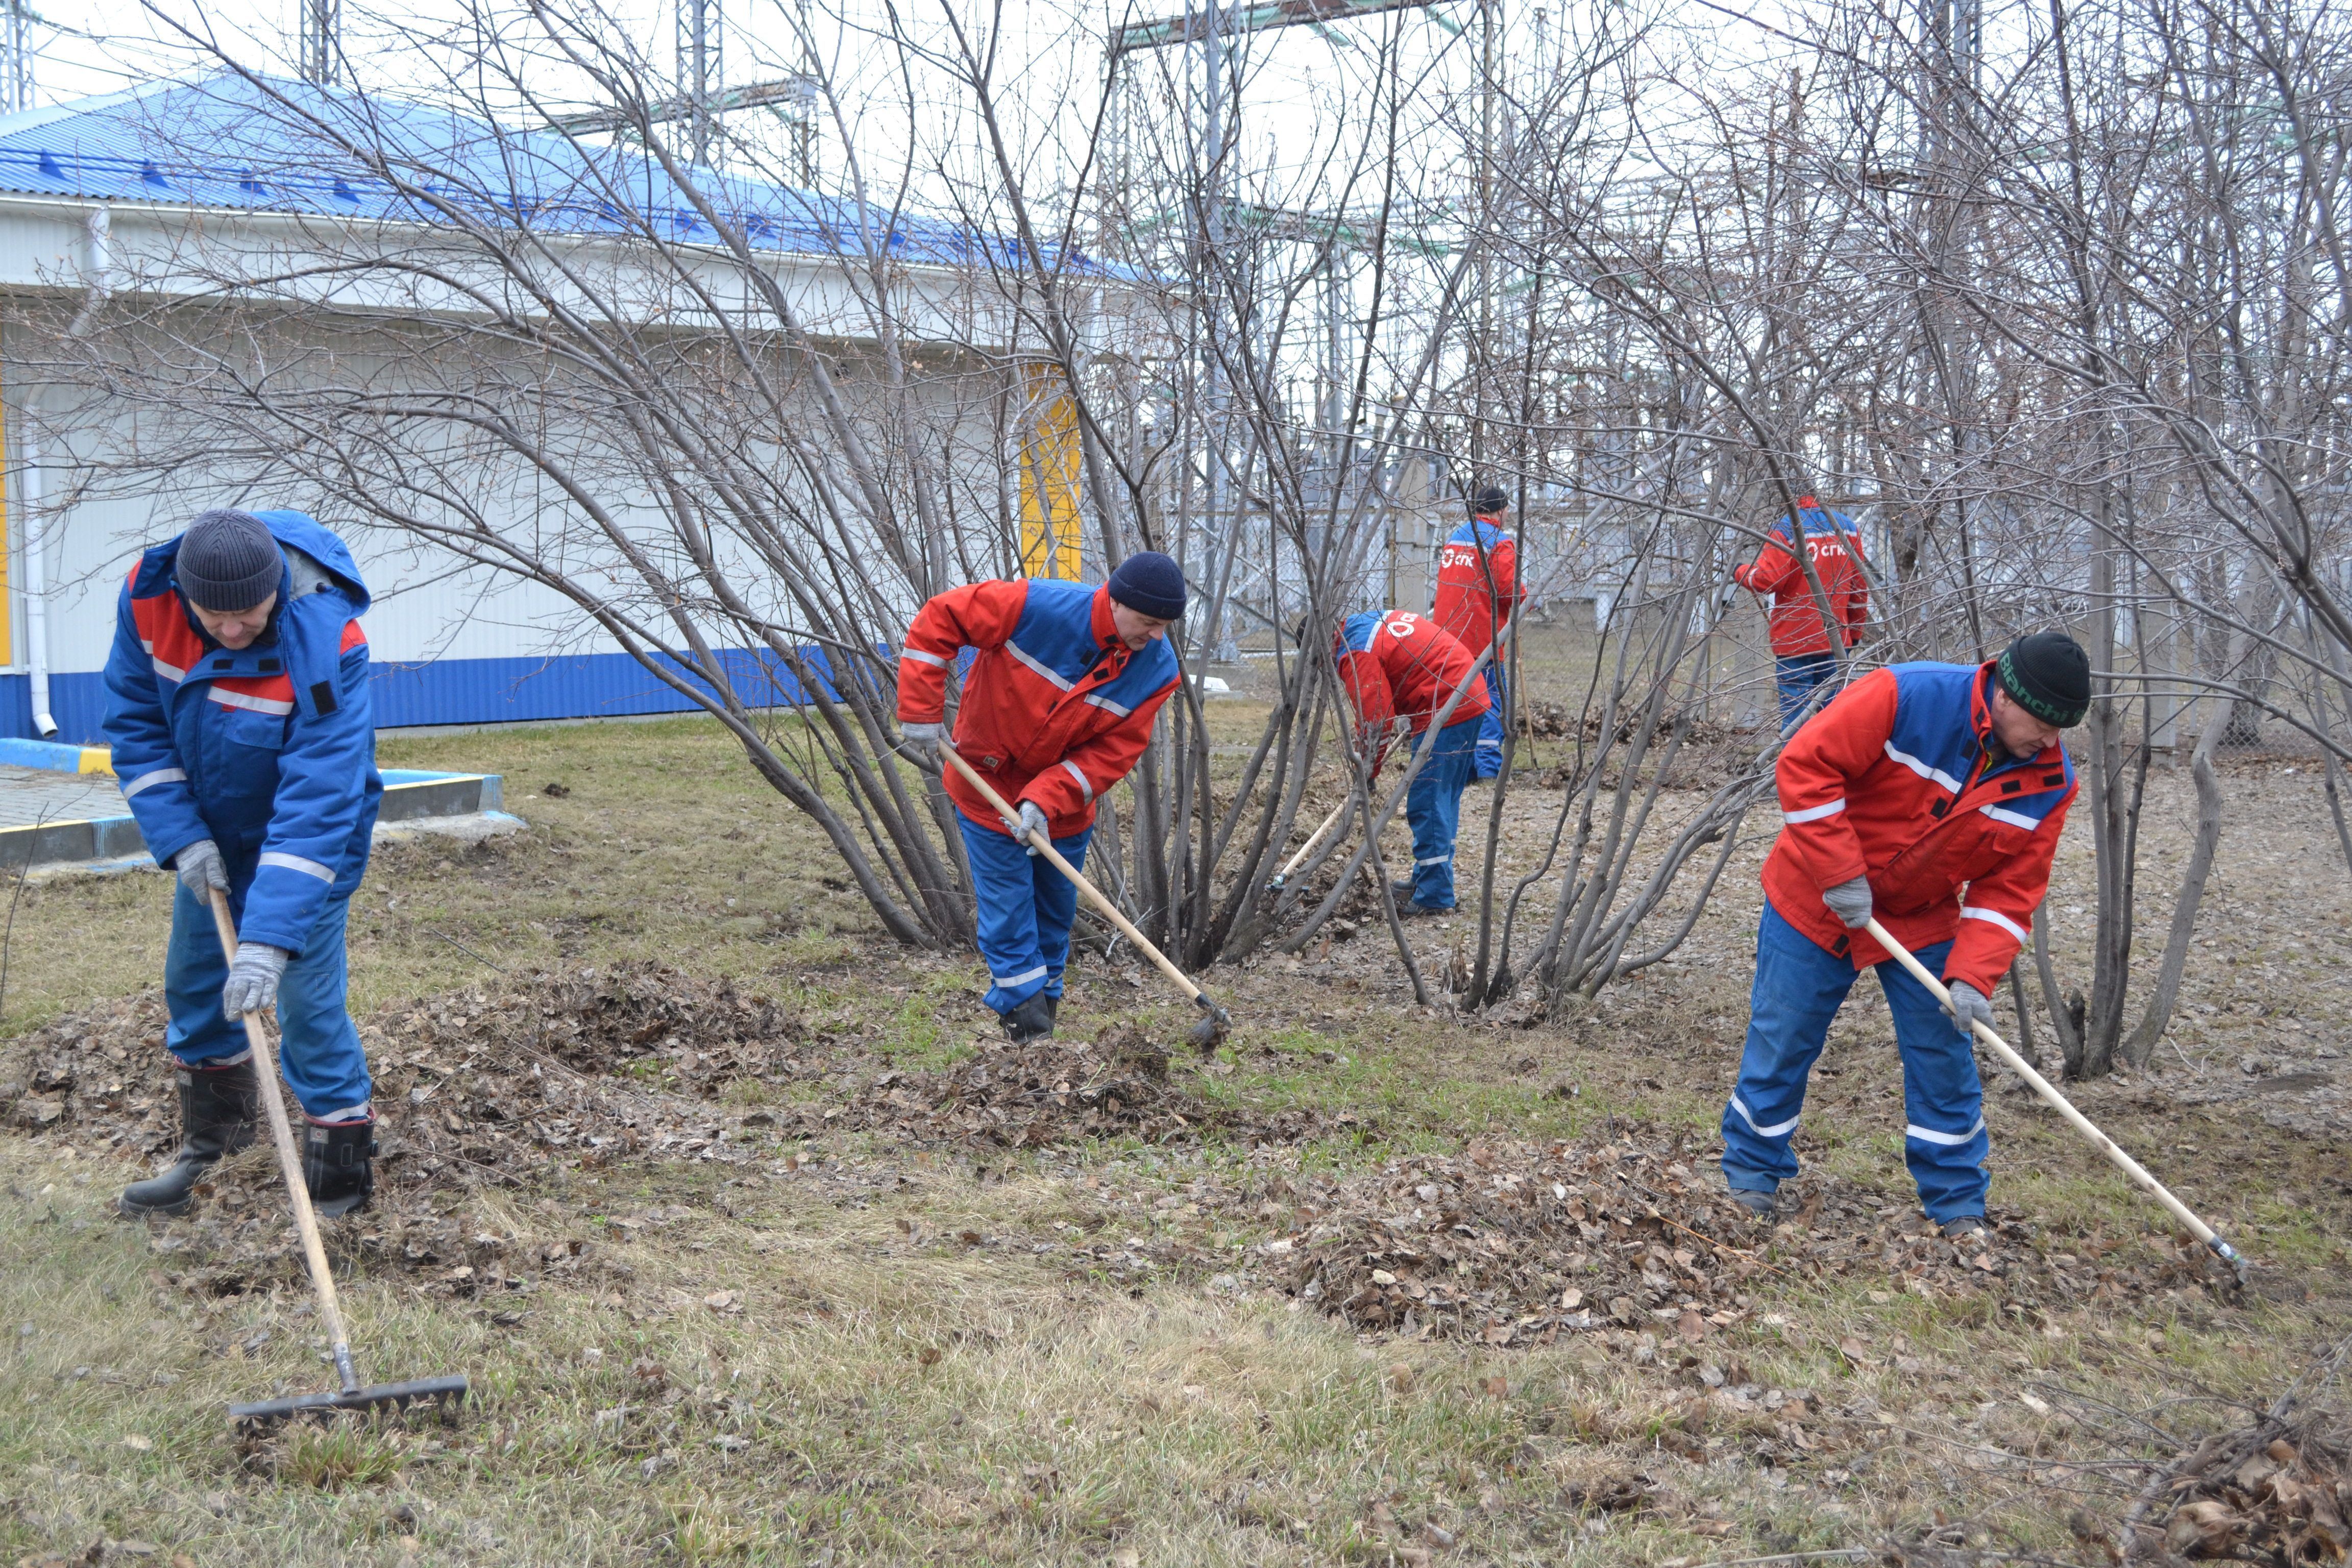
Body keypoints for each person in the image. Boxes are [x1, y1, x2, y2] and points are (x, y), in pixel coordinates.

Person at [1719, 630, 2089, 1238]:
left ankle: (1957, 1202)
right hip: (1815, 894)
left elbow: (2009, 891)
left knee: (1944, 1052)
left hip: (1920, 916)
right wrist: (1839, 873)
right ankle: (1752, 1173)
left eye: (2062, 727)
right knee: (1783, 1036)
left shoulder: (2050, 782)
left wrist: (1973, 976)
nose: (2050, 740)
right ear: (2005, 695)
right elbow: (1807, 765)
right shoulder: (1905, 695)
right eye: (2044, 721)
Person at [107, 508, 384, 1219]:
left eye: (251, 615)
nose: (232, 631)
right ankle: (214, 1158)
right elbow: (138, 725)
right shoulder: (149, 598)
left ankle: (338, 1192)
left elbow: (321, 795)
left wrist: (270, 937)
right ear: (185, 592)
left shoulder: (330, 643)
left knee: (306, 1005)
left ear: (278, 591)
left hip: (308, 847)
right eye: (215, 616)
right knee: (198, 988)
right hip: (211, 834)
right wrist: (181, 836)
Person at [897, 554, 1185, 1043]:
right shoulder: (1037, 607)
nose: (1156, 636)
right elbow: (942, 616)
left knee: (1054, 912)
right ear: (1115, 602)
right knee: (1008, 910)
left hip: (1064, 808)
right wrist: (920, 711)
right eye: (1149, 623)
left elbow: (1113, 753)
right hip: (985, 787)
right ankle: (1027, 1028)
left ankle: (1045, 1017)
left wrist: (1047, 799)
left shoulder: (1156, 670)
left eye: (1165, 626)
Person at [1332, 608, 1492, 914]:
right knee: (1443, 799)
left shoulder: (1355, 651)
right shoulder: (1365, 623)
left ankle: (1434, 895)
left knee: (1427, 801)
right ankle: (1429, 877)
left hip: (1447, 702)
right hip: (1468, 692)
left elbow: (1375, 718)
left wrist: (1368, 769)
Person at [1730, 494, 1869, 731]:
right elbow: (1859, 587)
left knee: (1795, 720)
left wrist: (1741, 571)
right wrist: (1854, 633)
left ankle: (1793, 765)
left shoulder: (1787, 528)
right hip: (1837, 640)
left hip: (1795, 643)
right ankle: (1833, 766)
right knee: (1836, 720)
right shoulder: (1848, 528)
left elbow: (1767, 579)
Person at [1432, 484, 1524, 780]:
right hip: (1480, 639)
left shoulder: (1454, 538)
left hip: (1446, 638)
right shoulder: (1499, 542)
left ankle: (1462, 767)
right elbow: (1510, 590)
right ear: (1502, 510)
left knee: (1459, 702)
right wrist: (1527, 598)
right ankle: (1488, 769)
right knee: (1491, 702)